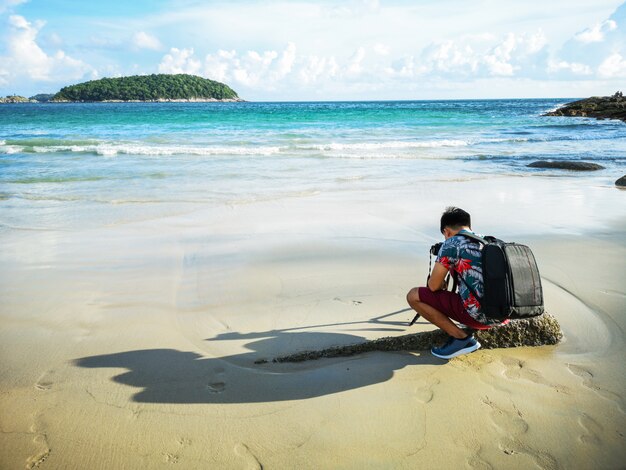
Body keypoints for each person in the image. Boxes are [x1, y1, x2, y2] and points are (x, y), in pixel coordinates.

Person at [406, 207, 505, 359]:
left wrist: (441, 280)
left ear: (446, 231)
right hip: (503, 314)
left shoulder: (451, 243)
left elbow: (433, 286)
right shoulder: (489, 241)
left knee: (413, 295)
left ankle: (462, 339)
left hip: (479, 317)